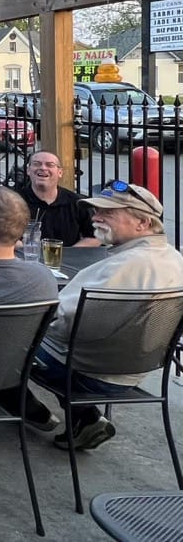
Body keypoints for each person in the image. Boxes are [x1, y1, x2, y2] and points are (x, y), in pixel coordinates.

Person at [31, 182, 183, 451]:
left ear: (143, 223)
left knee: (7, 338)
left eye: (108, 212)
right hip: (136, 371)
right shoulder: (175, 259)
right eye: (96, 211)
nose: (96, 218)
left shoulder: (119, 267)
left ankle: (25, 409)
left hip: (89, 373)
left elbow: (58, 325)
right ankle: (85, 419)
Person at [17, 149, 98, 247]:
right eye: (36, 164)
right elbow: (1, 236)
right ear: (28, 170)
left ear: (60, 172)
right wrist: (27, 250)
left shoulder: (77, 203)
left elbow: (95, 237)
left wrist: (68, 253)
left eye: (50, 165)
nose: (43, 168)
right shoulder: (13, 202)